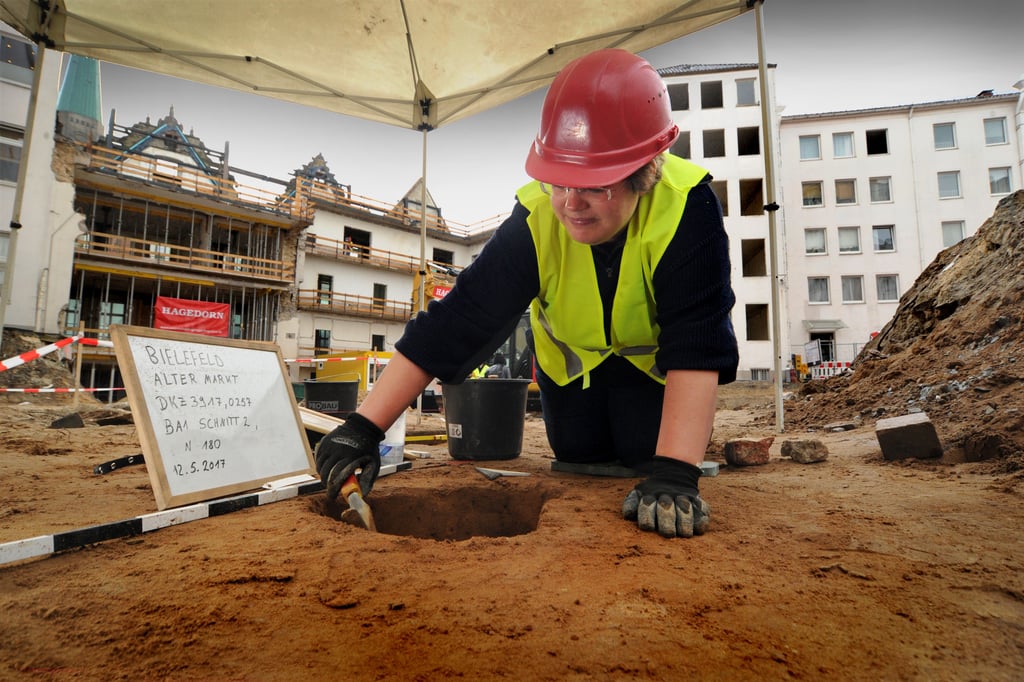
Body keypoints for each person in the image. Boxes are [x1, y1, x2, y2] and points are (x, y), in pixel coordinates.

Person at [315, 48, 738, 539]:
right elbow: (461, 320)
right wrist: (364, 427)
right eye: (558, 181)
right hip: (572, 380)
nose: (570, 204)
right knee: (581, 453)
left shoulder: (687, 209)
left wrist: (677, 474)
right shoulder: (536, 218)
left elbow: (697, 338)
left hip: (657, 379)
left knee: (647, 450)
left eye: (594, 185)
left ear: (643, 174)